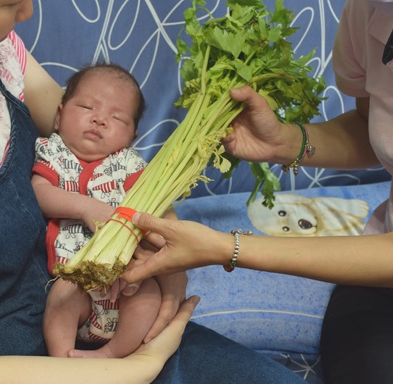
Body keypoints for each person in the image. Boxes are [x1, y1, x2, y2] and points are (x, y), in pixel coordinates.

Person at [0, 1, 307, 383]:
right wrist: (131, 368)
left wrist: (165, 262)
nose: (28, 12)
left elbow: (107, 164)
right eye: (10, 2)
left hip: (75, 317)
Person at [122, 0, 393, 383]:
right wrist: (287, 142)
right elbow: (374, 128)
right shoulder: (368, 8)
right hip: (375, 282)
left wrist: (224, 247)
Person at [32, 63, 162, 359]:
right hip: (75, 278)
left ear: (132, 137)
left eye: (117, 117)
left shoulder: (130, 166)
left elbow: (155, 210)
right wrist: (84, 206)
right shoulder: (54, 153)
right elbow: (40, 193)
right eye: (87, 106)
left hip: (125, 283)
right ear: (59, 115)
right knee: (61, 296)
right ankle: (62, 358)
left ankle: (109, 356)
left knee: (150, 296)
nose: (99, 119)